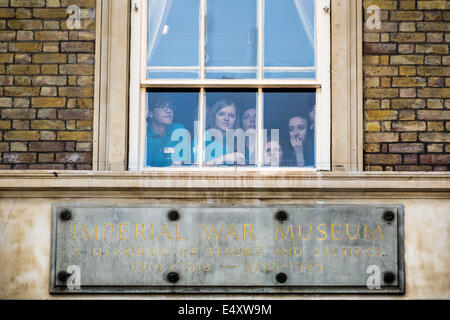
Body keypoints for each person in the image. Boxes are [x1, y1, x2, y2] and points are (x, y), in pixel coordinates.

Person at [146, 95, 187, 167]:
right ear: (150, 113)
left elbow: (180, 164)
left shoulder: (179, 130)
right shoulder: (142, 134)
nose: (169, 110)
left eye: (170, 107)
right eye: (162, 107)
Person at [204, 99, 246, 165]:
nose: (226, 118)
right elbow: (194, 167)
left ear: (236, 119)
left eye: (231, 115)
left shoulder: (239, 141)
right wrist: (224, 158)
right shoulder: (203, 138)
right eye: (221, 114)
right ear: (214, 117)